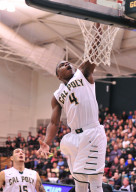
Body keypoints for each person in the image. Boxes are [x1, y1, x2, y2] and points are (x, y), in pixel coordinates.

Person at [38, 39, 107, 192]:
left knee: (95, 179)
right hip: (74, 137)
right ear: (58, 75)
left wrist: (97, 32)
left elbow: (92, 54)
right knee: (79, 180)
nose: (67, 64)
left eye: (68, 63)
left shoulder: (83, 74)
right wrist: (47, 142)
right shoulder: (57, 95)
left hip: (92, 132)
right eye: (62, 65)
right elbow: (54, 123)